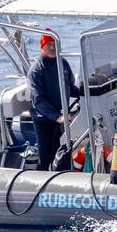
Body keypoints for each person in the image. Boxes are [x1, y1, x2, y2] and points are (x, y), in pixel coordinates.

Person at [27, 30, 83, 170]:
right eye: (49, 44)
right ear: (42, 46)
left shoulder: (62, 62)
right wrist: (57, 117)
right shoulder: (36, 71)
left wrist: (87, 93)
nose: (52, 48)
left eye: (54, 44)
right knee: (46, 155)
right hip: (43, 119)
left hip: (60, 114)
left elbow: (70, 87)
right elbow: (38, 100)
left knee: (61, 151)